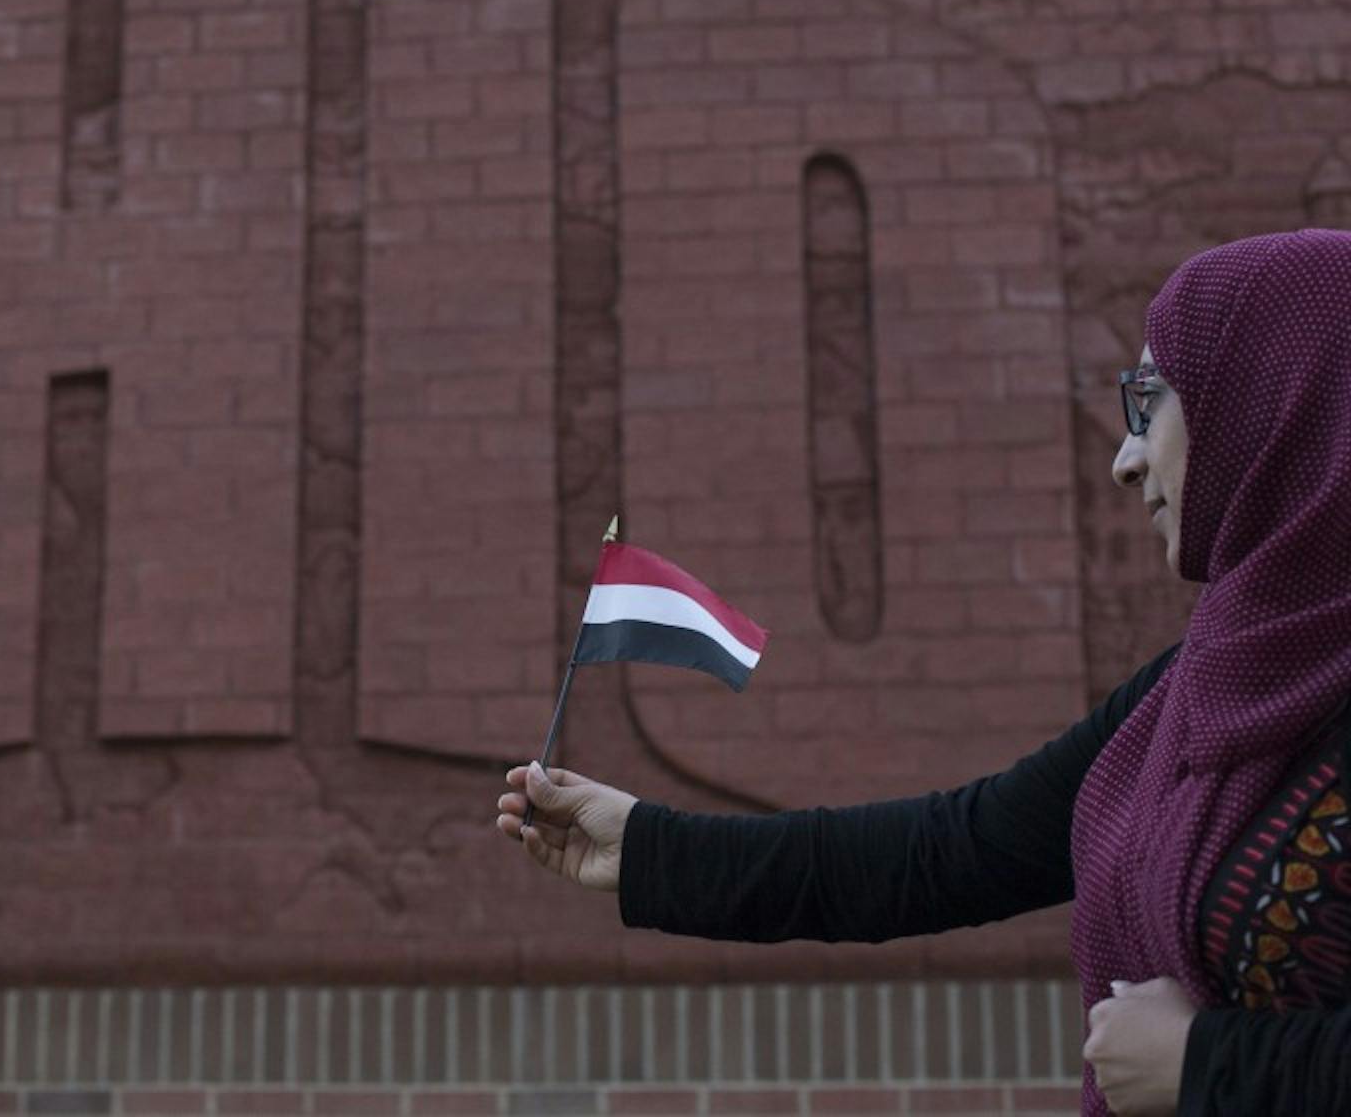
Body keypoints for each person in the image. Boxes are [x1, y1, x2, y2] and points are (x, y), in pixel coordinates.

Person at [495, 228, 1351, 1116]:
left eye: (1151, 400)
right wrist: (651, 849)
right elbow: (950, 852)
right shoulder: (1189, 695)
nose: (1125, 460)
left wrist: (1209, 1063)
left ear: (1277, 398)